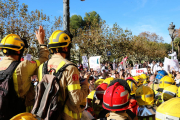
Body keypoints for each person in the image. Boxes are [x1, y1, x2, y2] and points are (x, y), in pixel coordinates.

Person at [38, 30, 89, 120]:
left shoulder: (42, 67)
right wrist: (85, 86)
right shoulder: (70, 68)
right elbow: (76, 100)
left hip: (44, 116)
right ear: (65, 48)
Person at [0, 26, 49, 119]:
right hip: (20, 115)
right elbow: (43, 60)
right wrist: (41, 42)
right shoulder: (23, 66)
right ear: (19, 51)